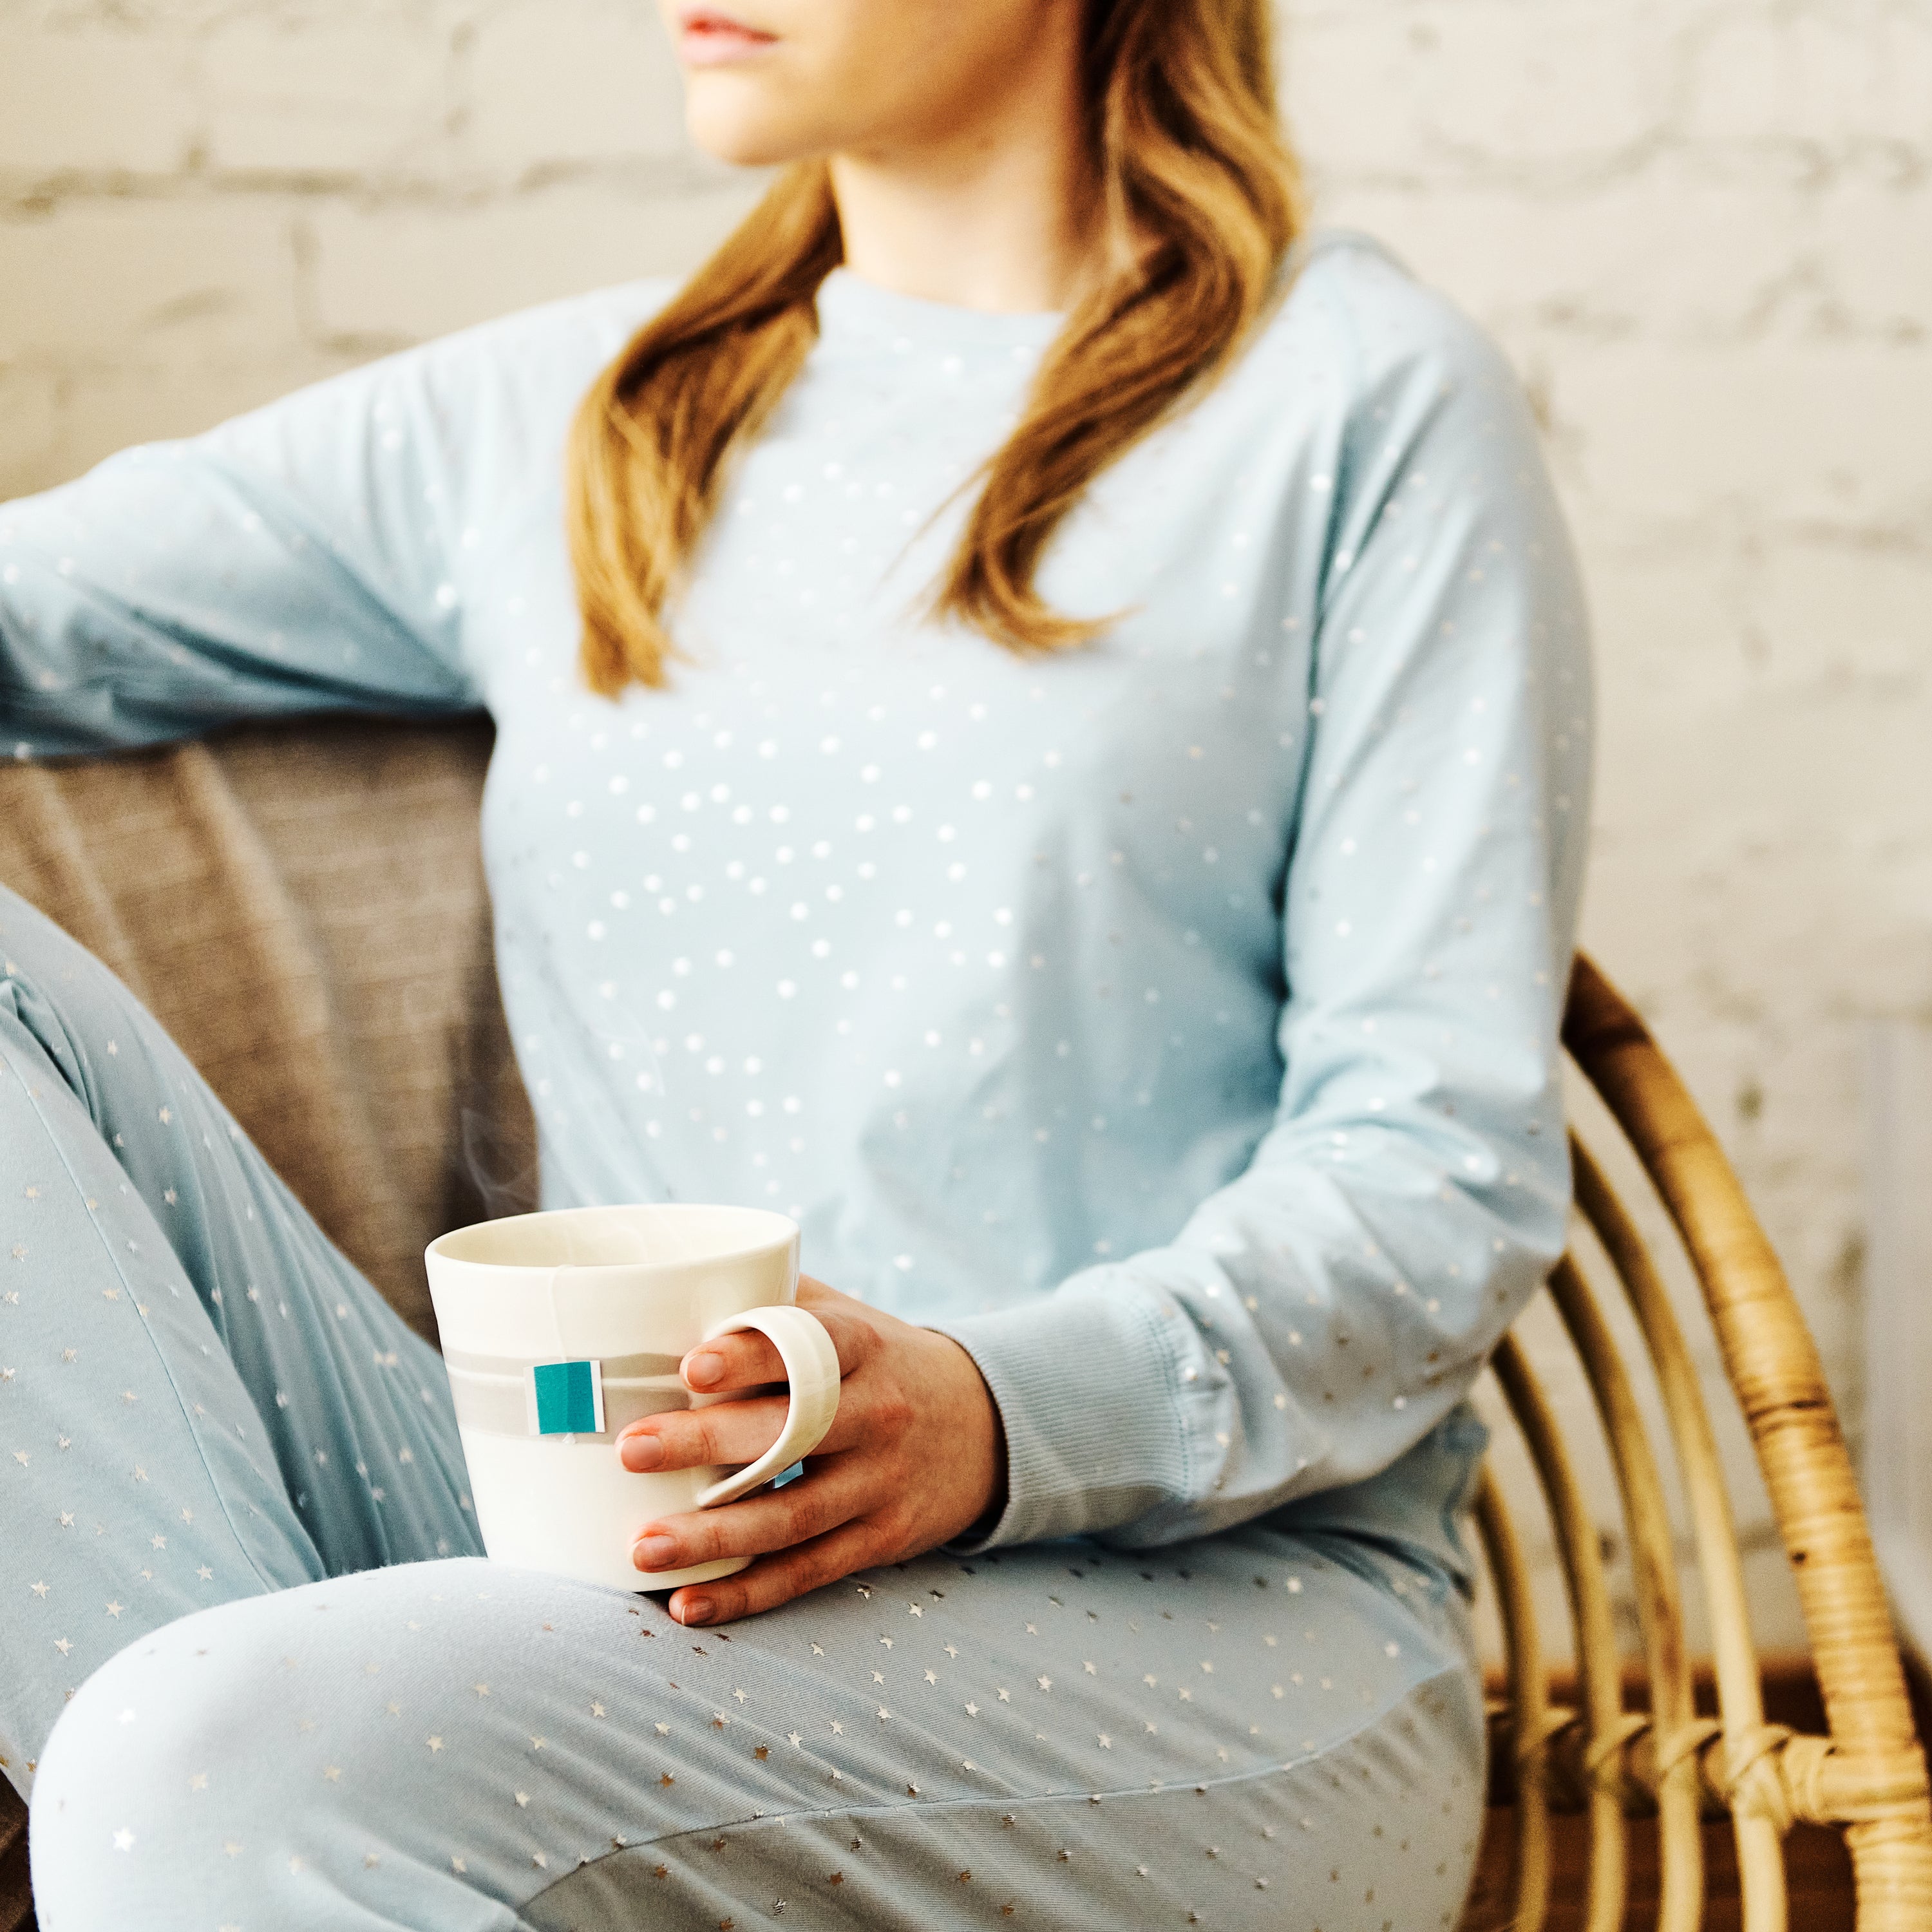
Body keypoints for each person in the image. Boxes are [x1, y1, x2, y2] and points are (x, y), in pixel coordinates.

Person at [0, 0, 1593, 1924]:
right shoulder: (581, 417)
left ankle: (233, 1802)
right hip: (614, 1554)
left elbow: (1439, 1175)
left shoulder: (1357, 402)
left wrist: (991, 1415)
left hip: (1196, 1623)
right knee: (191, 1749)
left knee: (214, 1759)